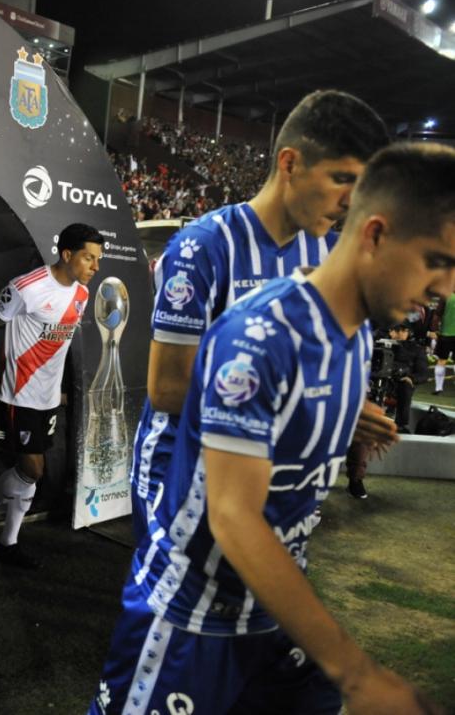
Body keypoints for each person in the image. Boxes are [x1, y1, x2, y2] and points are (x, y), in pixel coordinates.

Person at [90, 142, 455, 715]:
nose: (446, 289)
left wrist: (342, 415)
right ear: (377, 235)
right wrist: (357, 674)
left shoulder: (354, 330)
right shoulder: (251, 328)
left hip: (272, 606)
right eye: (438, 260)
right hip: (194, 609)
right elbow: (232, 513)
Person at [132, 90, 393, 542]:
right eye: (342, 180)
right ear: (290, 163)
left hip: (268, 477)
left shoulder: (328, 251)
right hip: (182, 478)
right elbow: (169, 389)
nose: (353, 201)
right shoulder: (204, 247)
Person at [0, 223, 103, 569]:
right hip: (20, 394)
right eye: (89, 258)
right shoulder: (27, 287)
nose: (95, 267)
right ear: (68, 254)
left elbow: (59, 345)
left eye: (98, 260)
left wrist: (59, 388)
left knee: (28, 471)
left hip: (47, 397)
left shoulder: (82, 295)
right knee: (34, 468)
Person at [429, 292, 455, 394]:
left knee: (441, 360)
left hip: (445, 334)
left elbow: (437, 315)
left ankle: (438, 388)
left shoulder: (446, 296)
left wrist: (434, 330)